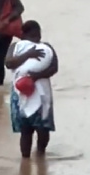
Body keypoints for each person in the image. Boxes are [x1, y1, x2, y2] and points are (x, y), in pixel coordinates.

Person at [5, 20, 58, 158]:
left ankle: (35, 157)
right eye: (35, 34)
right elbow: (9, 63)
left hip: (38, 93)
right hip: (23, 93)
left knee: (39, 129)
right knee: (29, 130)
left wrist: (35, 77)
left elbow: (54, 68)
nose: (37, 37)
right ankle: (32, 159)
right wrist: (28, 54)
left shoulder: (46, 47)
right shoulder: (16, 47)